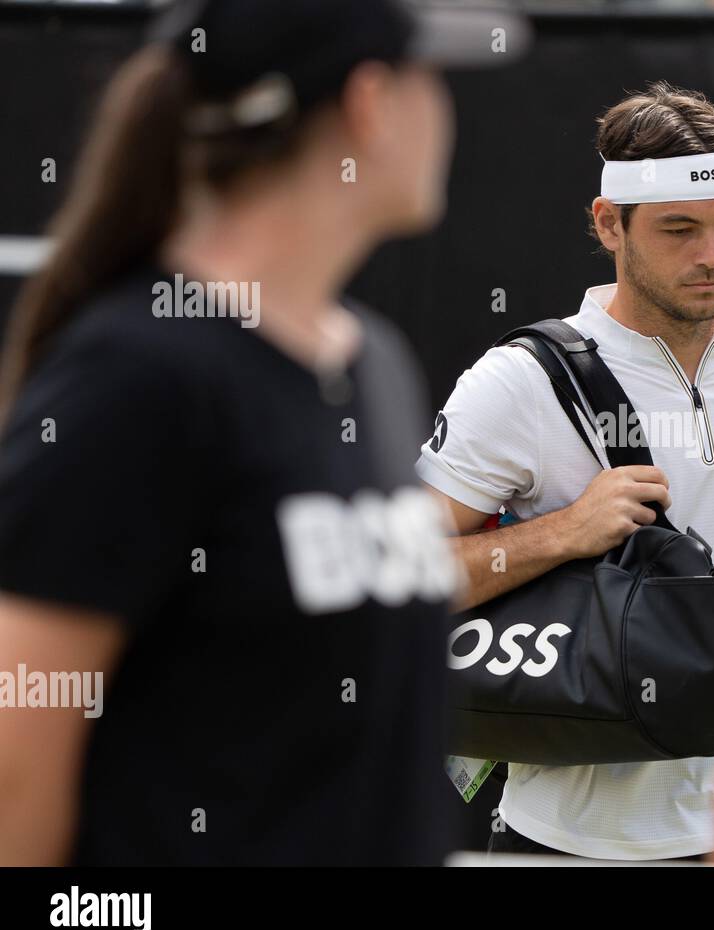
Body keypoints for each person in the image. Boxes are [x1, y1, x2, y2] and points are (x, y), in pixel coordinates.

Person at [0, 0, 528, 865]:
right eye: (428, 77)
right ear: (368, 102)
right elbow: (16, 785)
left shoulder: (371, 363)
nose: (445, 110)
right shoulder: (139, 376)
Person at [418, 81, 714, 860]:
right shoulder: (519, 380)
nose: (711, 257)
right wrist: (562, 533)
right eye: (679, 229)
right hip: (571, 842)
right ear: (608, 225)